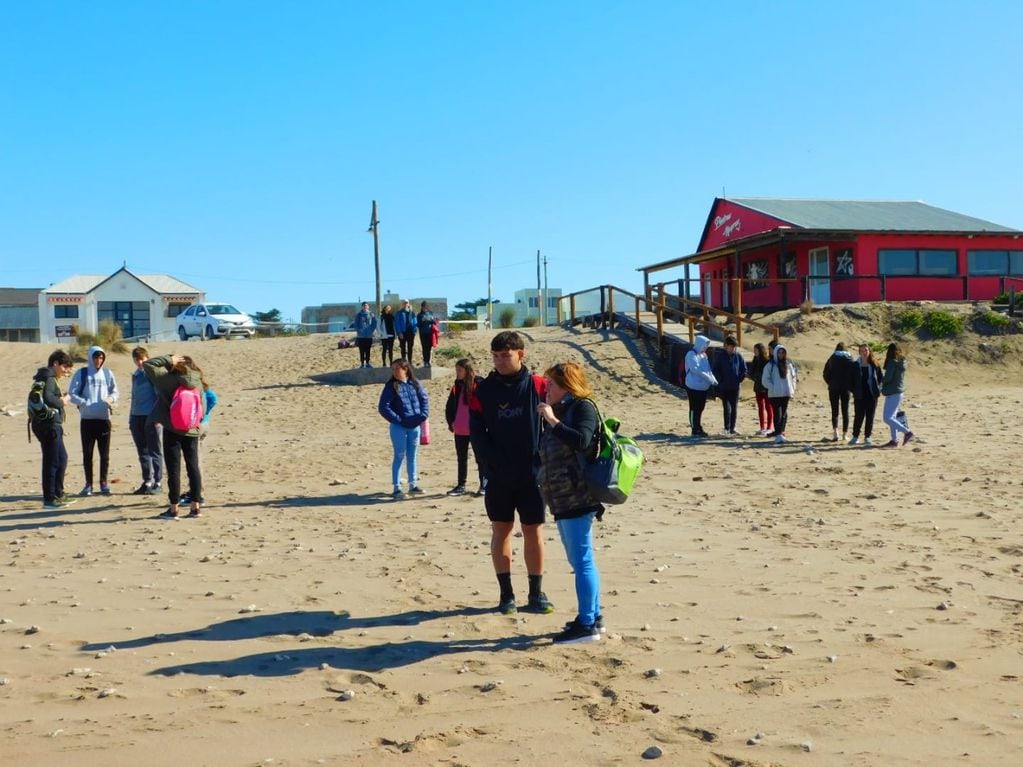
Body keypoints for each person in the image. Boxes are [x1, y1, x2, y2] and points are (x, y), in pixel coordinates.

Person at [469, 331, 553, 616]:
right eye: (495, 356)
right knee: (501, 530)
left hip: (533, 474)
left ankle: (536, 593)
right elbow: (477, 434)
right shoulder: (482, 391)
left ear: (521, 354)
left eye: (505, 355)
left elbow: (557, 421)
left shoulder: (539, 385)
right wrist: (491, 465)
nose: (500, 361)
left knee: (533, 531)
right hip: (499, 475)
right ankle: (506, 595)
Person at [536, 361, 604, 644]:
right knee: (580, 559)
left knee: (582, 560)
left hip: (578, 495)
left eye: (551, 384)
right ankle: (592, 616)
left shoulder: (582, 407)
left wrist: (552, 420)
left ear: (566, 385)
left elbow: (583, 441)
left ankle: (588, 623)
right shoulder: (565, 409)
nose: (547, 389)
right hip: (562, 498)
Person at [144, 354, 204, 518]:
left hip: (173, 428)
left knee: (173, 469)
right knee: (193, 466)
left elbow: (149, 364)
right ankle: (196, 507)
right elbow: (202, 404)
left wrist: (168, 359)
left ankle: (174, 508)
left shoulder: (168, 379)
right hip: (192, 428)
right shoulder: (198, 380)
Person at [69, 345, 119, 496]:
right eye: (96, 357)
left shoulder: (107, 373)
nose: (98, 360)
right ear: (91, 358)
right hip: (87, 419)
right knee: (87, 454)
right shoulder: (82, 373)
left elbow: (115, 391)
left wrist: (110, 399)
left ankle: (103, 483)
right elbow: (72, 393)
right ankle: (88, 484)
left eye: (101, 357)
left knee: (104, 454)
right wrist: (84, 402)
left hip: (104, 419)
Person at [378, 358, 429, 498]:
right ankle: (397, 488)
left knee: (412, 456)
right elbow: (383, 407)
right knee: (399, 456)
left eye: (397, 368)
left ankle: (413, 485)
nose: (394, 371)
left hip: (415, 426)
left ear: (405, 369)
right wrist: (399, 420)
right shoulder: (391, 386)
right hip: (399, 427)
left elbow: (424, 400)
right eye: (392, 369)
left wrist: (423, 415)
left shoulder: (415, 383)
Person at [31, 350, 76, 509]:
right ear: (55, 363)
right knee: (52, 461)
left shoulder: (46, 377)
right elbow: (50, 399)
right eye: (65, 367)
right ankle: (50, 498)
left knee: (61, 458)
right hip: (48, 425)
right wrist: (63, 401)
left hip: (47, 424)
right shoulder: (49, 378)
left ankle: (58, 493)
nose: (66, 371)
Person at [444, 358, 484, 497]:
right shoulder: (457, 385)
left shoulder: (479, 384)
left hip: (476, 428)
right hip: (460, 429)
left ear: (467, 370)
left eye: (459, 370)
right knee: (461, 458)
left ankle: (483, 484)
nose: (457, 373)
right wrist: (451, 422)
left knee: (481, 458)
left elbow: (486, 406)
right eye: (456, 370)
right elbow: (450, 406)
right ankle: (461, 485)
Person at [128, 346, 163, 495]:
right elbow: (134, 397)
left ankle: (158, 482)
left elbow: (159, 396)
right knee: (142, 451)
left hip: (150, 416)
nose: (140, 362)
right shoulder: (136, 375)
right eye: (137, 359)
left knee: (154, 450)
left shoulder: (152, 374)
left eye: (142, 358)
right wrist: (131, 418)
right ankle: (147, 480)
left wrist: (157, 417)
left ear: (147, 358)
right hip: (137, 416)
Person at [181, 368, 217, 505]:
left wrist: (202, 414)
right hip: (202, 424)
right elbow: (213, 399)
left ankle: (197, 493)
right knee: (195, 459)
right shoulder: (201, 386)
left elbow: (213, 399)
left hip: (198, 425)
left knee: (194, 461)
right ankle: (195, 490)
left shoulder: (196, 386)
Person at [880, 342, 915, 448]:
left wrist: (881, 381)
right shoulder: (902, 362)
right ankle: (894, 441)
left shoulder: (892, 362)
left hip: (893, 392)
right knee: (893, 417)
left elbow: (888, 378)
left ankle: (907, 432)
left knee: (887, 418)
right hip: (899, 392)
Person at [711, 336, 747, 435]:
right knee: (726, 408)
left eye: (734, 347)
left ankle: (733, 428)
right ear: (726, 346)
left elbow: (744, 370)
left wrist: (739, 379)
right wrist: (721, 380)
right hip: (724, 386)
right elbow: (715, 370)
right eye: (731, 346)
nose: (733, 349)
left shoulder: (738, 356)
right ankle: (727, 427)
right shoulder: (720, 356)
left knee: (734, 407)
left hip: (735, 386)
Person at [762, 343, 797, 443]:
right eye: (779, 353)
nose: (781, 354)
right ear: (776, 353)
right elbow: (765, 379)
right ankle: (778, 434)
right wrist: (772, 387)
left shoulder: (788, 364)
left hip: (786, 393)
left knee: (784, 414)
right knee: (778, 414)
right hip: (774, 394)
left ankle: (781, 432)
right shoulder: (770, 365)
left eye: (783, 353)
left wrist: (792, 388)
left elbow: (793, 377)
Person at [683, 335, 717, 438]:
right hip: (693, 386)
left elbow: (708, 369)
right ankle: (695, 428)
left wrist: (713, 379)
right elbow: (695, 369)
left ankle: (698, 426)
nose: (705, 347)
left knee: (701, 407)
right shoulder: (691, 354)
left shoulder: (704, 356)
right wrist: (708, 378)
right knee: (694, 407)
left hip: (703, 387)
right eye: (704, 345)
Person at [823, 342, 857, 442]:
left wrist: (830, 382)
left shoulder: (832, 358)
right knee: (845, 410)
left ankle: (835, 432)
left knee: (835, 410)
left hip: (833, 387)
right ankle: (844, 434)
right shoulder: (850, 359)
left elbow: (825, 373)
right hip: (846, 388)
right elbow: (854, 373)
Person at [849, 343, 882, 446]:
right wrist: (853, 390)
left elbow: (880, 378)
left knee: (870, 417)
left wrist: (878, 390)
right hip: (859, 395)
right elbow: (850, 380)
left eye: (866, 350)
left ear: (869, 351)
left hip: (872, 395)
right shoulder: (855, 365)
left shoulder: (874, 364)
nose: (864, 352)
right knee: (858, 416)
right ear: (859, 352)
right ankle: (855, 437)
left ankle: (868, 437)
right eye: (862, 351)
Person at [748, 343, 773, 436]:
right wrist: (754, 377)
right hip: (758, 387)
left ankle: (769, 427)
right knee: (760, 408)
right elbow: (751, 372)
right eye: (754, 350)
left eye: (756, 350)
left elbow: (768, 374)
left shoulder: (767, 361)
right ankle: (762, 427)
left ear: (760, 350)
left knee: (768, 407)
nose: (754, 352)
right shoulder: (755, 360)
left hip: (766, 388)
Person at [354, 302, 378, 369]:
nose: (365, 307)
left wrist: (371, 331)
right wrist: (359, 331)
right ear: (362, 307)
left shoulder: (371, 314)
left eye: (366, 305)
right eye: (364, 305)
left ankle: (367, 363)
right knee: (361, 350)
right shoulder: (358, 315)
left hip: (369, 336)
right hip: (361, 336)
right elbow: (356, 325)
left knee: (368, 350)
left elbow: (374, 323)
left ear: (368, 307)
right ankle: (362, 364)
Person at [417, 301, 436, 367]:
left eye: (426, 306)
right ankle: (425, 361)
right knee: (424, 348)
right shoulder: (419, 315)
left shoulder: (430, 313)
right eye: (423, 306)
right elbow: (418, 325)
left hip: (430, 333)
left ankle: (429, 361)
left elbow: (434, 322)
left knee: (429, 348)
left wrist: (431, 319)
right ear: (422, 307)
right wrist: (422, 320)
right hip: (423, 333)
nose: (425, 308)